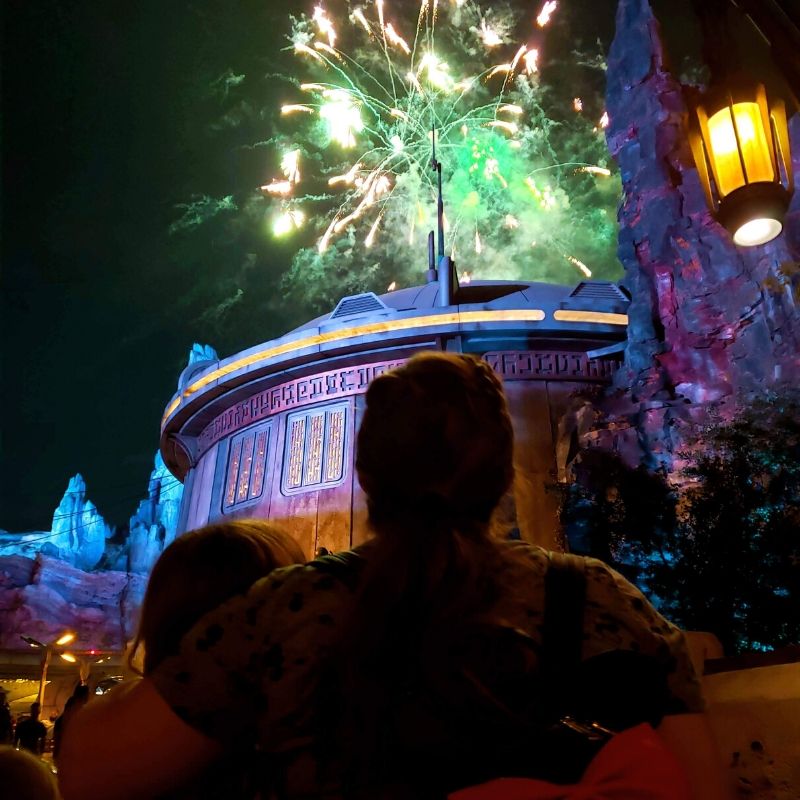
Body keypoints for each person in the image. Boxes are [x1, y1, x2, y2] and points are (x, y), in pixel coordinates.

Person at [58, 353, 731, 800]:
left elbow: (93, 771)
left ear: (368, 477)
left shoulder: (287, 609)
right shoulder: (601, 598)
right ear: (499, 476)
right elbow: (703, 783)